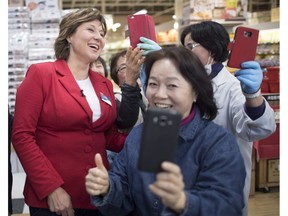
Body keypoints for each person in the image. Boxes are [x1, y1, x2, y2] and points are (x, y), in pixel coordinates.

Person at [12, 8, 143, 216]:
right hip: (54, 199)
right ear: (69, 36)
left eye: (101, 33)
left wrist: (146, 141)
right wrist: (51, 188)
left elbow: (107, 136)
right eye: (90, 29)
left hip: (97, 195)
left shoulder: (103, 84)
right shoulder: (42, 75)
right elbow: (22, 136)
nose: (98, 37)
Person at [85, 47, 246, 216]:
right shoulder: (137, 137)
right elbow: (124, 193)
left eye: (172, 85)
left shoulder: (217, 142)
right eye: (153, 84)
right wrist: (107, 187)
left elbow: (229, 205)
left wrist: (183, 202)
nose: (160, 94)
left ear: (196, 92)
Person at [137, 21, 276, 216]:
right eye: (183, 48)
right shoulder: (182, 83)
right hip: (176, 181)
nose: (185, 53)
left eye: (190, 47)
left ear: (212, 47)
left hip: (217, 184)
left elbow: (258, 129)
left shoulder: (233, 86)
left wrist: (253, 96)